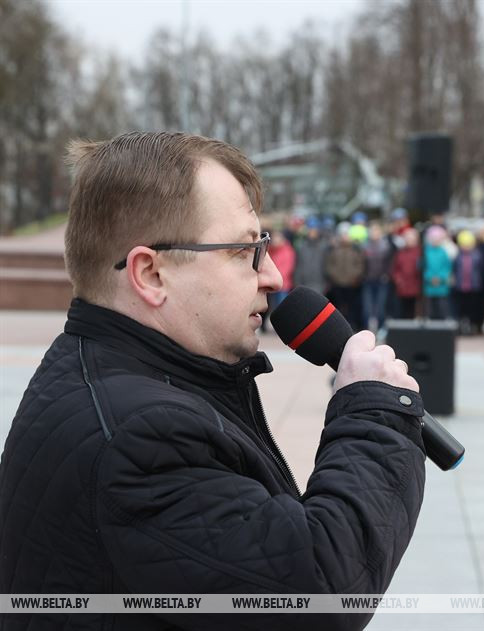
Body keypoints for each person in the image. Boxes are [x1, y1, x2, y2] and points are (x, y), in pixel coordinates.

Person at [0, 132, 425, 629]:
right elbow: (317, 595)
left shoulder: (113, 372)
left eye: (263, 246)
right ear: (151, 274)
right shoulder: (143, 436)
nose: (272, 277)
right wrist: (375, 416)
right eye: (244, 251)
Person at [324, 223, 366, 330]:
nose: (345, 237)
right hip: (337, 284)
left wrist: (354, 277)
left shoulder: (355, 250)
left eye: (347, 235)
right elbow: (329, 265)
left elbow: (360, 265)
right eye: (343, 235)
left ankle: (351, 327)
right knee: (338, 308)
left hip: (351, 284)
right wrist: (335, 277)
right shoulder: (334, 250)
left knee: (352, 308)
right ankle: (339, 328)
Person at [361, 222, 393, 332]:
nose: (374, 233)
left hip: (382, 281)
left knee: (380, 308)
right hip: (368, 280)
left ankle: (381, 329)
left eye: (376, 231)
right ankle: (366, 331)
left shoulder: (386, 246)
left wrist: (386, 275)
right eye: (372, 231)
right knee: (367, 308)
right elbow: (362, 263)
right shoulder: (365, 246)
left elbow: (390, 263)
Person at [389, 227, 422, 319]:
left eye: (411, 239)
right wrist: (397, 279)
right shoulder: (400, 253)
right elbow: (395, 268)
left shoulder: (420, 252)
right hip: (402, 287)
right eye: (407, 239)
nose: (409, 241)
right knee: (402, 311)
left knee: (414, 311)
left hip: (416, 287)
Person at [294, 215, 330, 294]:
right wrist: (297, 282)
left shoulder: (324, 246)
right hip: (304, 283)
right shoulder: (302, 246)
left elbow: (327, 265)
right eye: (311, 229)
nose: (312, 232)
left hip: (320, 284)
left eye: (315, 230)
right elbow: (299, 265)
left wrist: (326, 283)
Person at [423, 225, 452, 319]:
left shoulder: (443, 252)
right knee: (430, 310)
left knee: (442, 308)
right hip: (429, 286)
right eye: (433, 239)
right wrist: (429, 278)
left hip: (441, 286)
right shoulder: (426, 252)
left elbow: (447, 267)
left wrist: (440, 278)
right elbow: (423, 267)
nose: (435, 241)